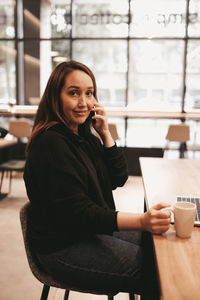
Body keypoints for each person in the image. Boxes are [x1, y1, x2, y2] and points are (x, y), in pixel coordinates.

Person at [24, 60, 171, 299]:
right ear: (56, 97)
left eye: (89, 93)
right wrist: (142, 221)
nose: (84, 102)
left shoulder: (82, 136)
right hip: (62, 247)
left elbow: (118, 178)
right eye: (74, 93)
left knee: (157, 246)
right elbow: (80, 213)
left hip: (87, 231)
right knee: (157, 271)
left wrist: (105, 134)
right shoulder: (50, 143)